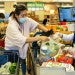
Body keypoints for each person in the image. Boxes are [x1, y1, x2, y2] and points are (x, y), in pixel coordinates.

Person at [5, 5, 50, 75]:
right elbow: (23, 39)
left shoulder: (26, 20)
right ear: (16, 15)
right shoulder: (12, 26)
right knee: (13, 69)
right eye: (23, 15)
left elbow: (37, 25)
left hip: (22, 48)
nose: (25, 17)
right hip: (12, 50)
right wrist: (40, 38)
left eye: (26, 15)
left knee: (23, 62)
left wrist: (49, 32)